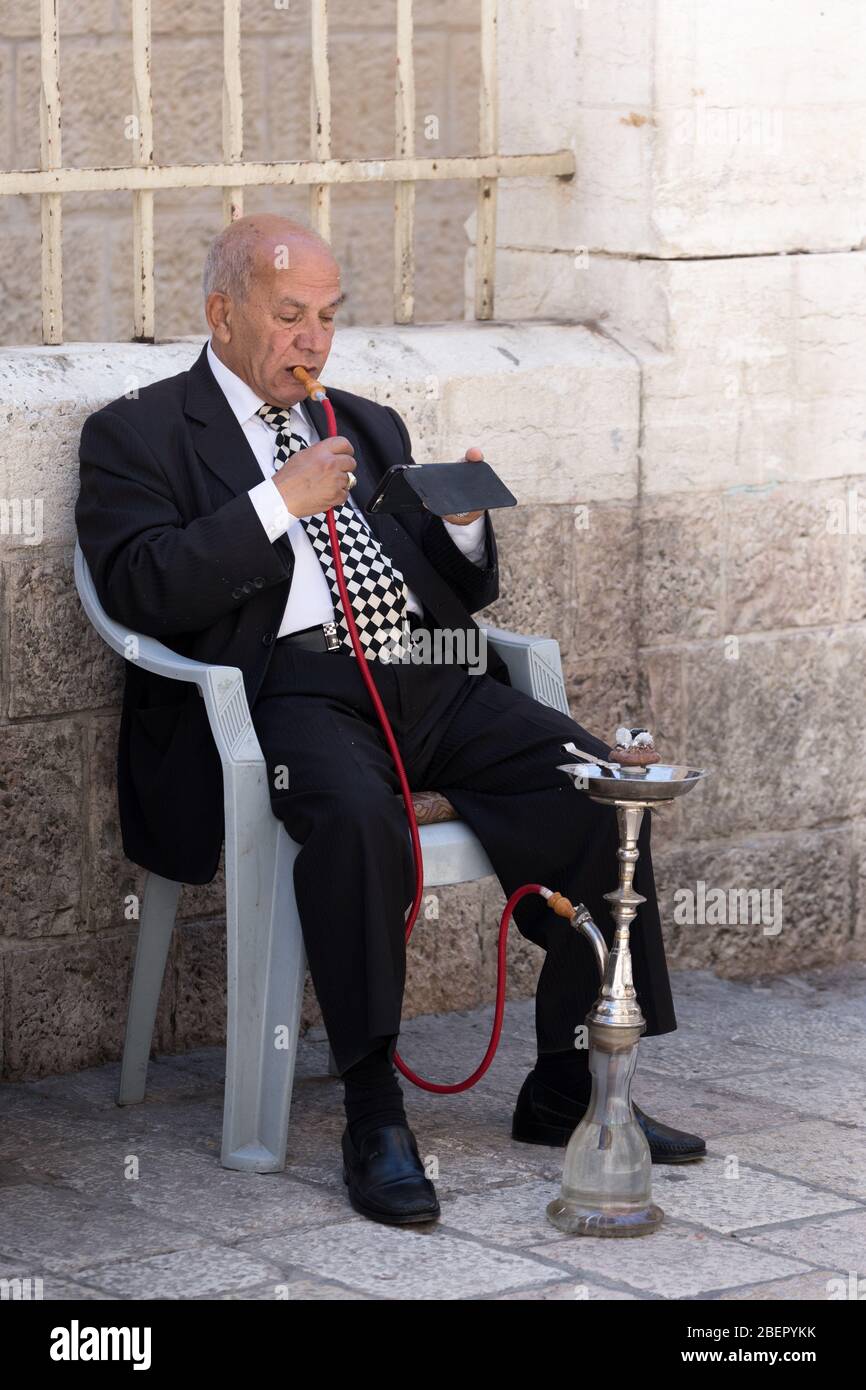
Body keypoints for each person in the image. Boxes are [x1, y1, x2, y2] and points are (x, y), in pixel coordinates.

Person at [76, 213, 705, 1228]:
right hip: (286, 688)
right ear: (222, 313)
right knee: (357, 820)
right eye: (288, 318)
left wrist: (459, 532)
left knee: (597, 788)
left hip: (431, 672)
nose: (312, 343)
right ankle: (373, 1110)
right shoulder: (139, 431)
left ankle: (569, 1080)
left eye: (326, 319)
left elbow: (448, 599)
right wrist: (278, 500)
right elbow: (143, 587)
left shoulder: (366, 425)